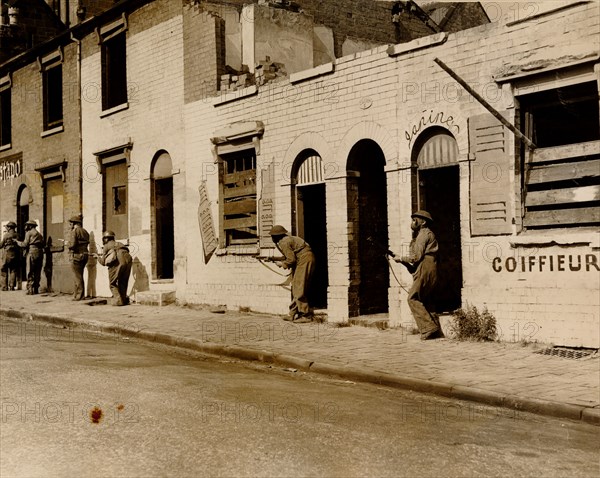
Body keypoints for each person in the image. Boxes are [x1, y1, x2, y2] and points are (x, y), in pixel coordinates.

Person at [395, 210, 442, 340]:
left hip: (426, 266)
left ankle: (429, 328)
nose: (413, 221)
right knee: (425, 299)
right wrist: (402, 261)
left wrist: (401, 258)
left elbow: (416, 257)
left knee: (412, 298)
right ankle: (434, 330)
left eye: (416, 219)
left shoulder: (423, 234)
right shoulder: (422, 235)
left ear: (423, 222)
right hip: (427, 266)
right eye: (413, 218)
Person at [269, 225, 316, 323]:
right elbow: (292, 256)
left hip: (304, 259)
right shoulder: (288, 239)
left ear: (277, 236)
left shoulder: (284, 242)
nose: (272, 238)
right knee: (296, 286)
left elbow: (291, 259)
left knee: (299, 287)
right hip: (304, 258)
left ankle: (306, 315)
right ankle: (292, 313)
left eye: (272, 236)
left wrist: (282, 264)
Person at [96, 231, 133, 306]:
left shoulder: (106, 246)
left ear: (106, 239)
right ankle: (123, 300)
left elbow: (103, 262)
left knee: (112, 283)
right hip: (128, 260)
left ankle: (119, 301)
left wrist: (97, 257)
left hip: (118, 262)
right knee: (123, 281)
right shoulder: (120, 243)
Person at [16, 220, 45, 295]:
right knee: (37, 271)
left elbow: (25, 244)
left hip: (31, 252)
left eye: (27, 225)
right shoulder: (39, 234)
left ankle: (30, 289)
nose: (25, 227)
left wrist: (17, 242)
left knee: (30, 271)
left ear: (30, 226)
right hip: (39, 252)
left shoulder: (28, 233)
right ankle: (36, 289)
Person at [67, 214, 89, 301]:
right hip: (85, 254)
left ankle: (79, 295)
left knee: (77, 276)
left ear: (74, 223)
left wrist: (67, 244)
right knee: (80, 275)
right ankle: (77, 294)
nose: (70, 225)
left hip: (76, 255)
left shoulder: (75, 231)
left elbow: (72, 245)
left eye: (70, 223)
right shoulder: (85, 231)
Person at [0, 221, 20, 291]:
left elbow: (1, 245)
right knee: (13, 270)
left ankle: (4, 287)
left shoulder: (6, 235)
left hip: (6, 254)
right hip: (15, 255)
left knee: (4, 270)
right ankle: (12, 286)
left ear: (9, 227)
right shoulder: (17, 235)